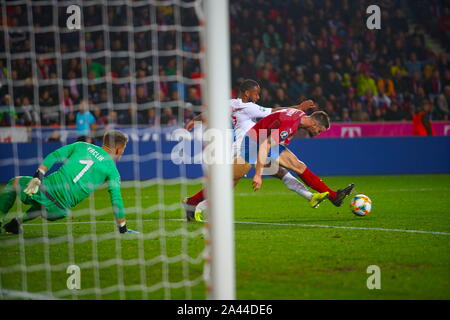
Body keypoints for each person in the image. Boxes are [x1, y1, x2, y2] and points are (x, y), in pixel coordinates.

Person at [183, 79, 334, 221]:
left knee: (282, 171)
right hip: (249, 144)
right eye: (256, 93)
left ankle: (312, 196)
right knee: (229, 181)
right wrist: (298, 108)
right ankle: (193, 202)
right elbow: (275, 111)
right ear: (247, 93)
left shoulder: (231, 104)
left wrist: (194, 121)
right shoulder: (250, 107)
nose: (258, 97)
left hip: (255, 141)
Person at [0, 130, 138, 235]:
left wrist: (39, 175)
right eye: (123, 150)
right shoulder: (113, 171)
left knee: (14, 183)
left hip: (44, 191)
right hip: (59, 211)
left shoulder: (82, 146)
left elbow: (55, 155)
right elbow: (116, 200)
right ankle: (16, 223)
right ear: (119, 149)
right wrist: (123, 228)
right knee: (44, 204)